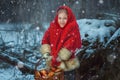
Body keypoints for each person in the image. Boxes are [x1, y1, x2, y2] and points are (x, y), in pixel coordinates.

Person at [40, 5, 82, 80]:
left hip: (67, 64)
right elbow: (45, 39)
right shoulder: (53, 27)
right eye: (60, 18)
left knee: (66, 77)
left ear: (69, 18)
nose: (62, 21)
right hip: (53, 63)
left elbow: (71, 44)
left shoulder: (72, 27)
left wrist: (60, 57)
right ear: (57, 17)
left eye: (65, 18)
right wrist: (47, 53)